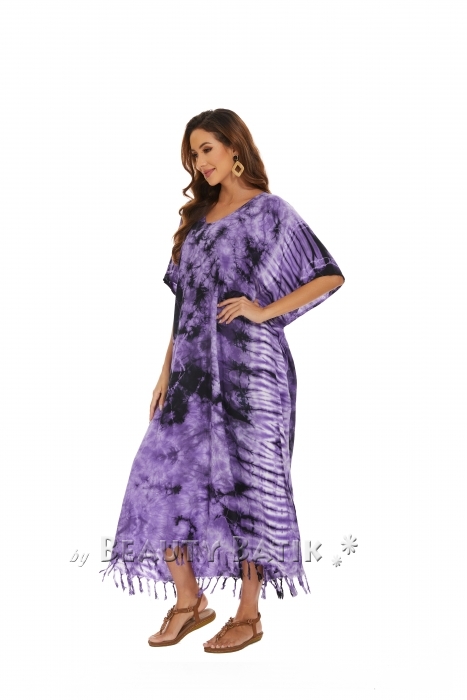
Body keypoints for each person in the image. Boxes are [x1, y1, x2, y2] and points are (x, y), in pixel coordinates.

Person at [99, 108, 345, 654]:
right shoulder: (197, 220)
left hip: (251, 373)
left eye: (206, 149)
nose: (199, 162)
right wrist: (164, 371)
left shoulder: (270, 212)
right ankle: (190, 601)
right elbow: (184, 306)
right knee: (157, 480)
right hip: (190, 376)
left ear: (235, 148)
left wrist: (263, 310)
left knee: (250, 486)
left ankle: (249, 615)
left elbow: (328, 274)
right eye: (193, 154)